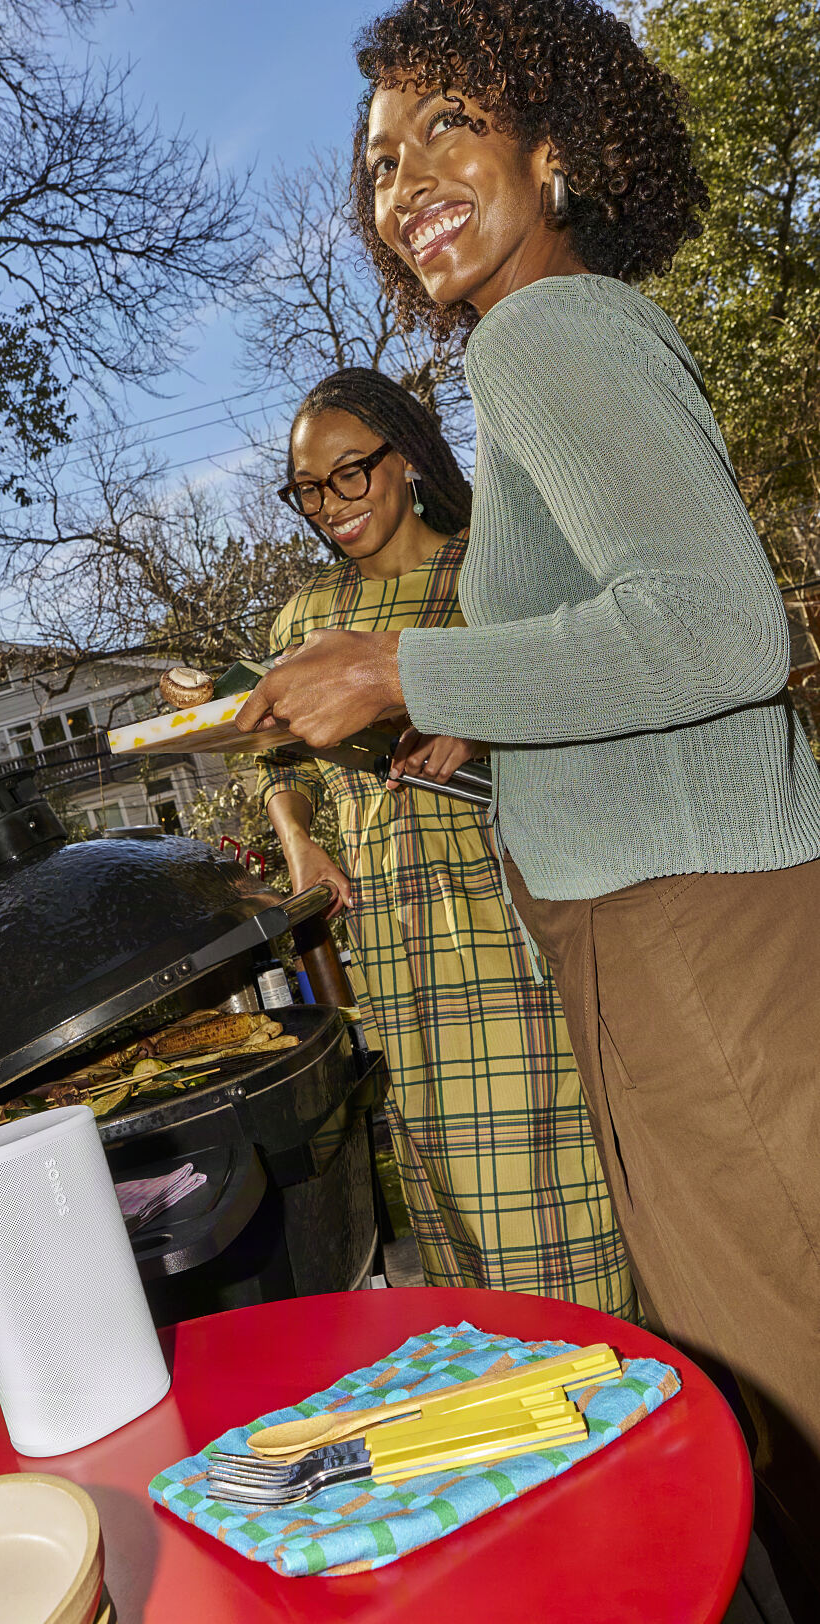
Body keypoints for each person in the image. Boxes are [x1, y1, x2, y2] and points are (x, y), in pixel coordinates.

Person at [236, 0, 820, 1624]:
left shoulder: (542, 334)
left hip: (693, 939)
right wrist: (479, 729)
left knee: (795, 1383)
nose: (404, 178)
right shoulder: (563, 333)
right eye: (377, 160)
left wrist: (404, 668)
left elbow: (723, 631)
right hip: (663, 919)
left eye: (447, 125)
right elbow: (647, 651)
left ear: (551, 142)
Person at [257, 367, 632, 1317]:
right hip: (388, 943)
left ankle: (606, 1375)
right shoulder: (305, 621)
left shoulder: (491, 576)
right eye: (308, 488)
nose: (331, 504)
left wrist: (479, 710)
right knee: (447, 1210)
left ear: (410, 458)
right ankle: (507, 1391)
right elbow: (278, 757)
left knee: (541, 1196)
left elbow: (585, 690)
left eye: (350, 472)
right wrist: (300, 841)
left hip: (505, 923)